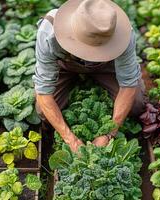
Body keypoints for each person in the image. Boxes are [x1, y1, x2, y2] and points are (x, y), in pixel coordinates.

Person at [33, 0, 145, 153]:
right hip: (65, 66)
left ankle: (96, 78)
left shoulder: (123, 34)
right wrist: (70, 139)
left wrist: (108, 133)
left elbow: (128, 85)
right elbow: (44, 92)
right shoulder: (49, 31)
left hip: (106, 66)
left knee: (137, 104)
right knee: (42, 111)